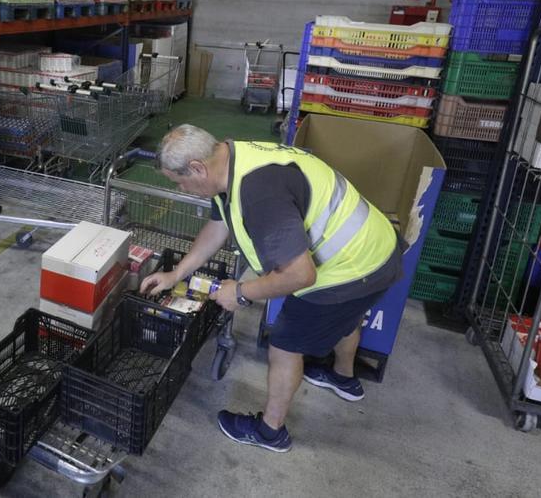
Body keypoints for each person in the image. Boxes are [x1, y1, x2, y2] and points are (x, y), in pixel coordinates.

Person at [140, 124, 403, 453]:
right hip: (373, 249)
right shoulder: (232, 158)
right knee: (345, 317)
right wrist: (176, 272)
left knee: (285, 345)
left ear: (197, 168)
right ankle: (343, 377)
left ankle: (270, 432)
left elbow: (299, 276)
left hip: (351, 270)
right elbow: (218, 225)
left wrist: (240, 292)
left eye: (180, 182)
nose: (183, 189)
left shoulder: (259, 193)